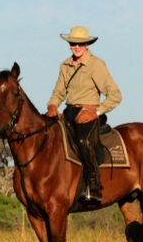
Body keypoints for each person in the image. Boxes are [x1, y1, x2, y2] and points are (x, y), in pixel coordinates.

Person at [45, 25, 121, 203]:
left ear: (87, 44)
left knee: (83, 141)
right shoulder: (65, 65)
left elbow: (115, 95)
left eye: (80, 44)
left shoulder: (96, 65)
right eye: (73, 43)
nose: (76, 47)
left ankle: (94, 186)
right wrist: (52, 106)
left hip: (89, 112)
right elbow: (58, 92)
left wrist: (96, 111)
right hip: (69, 112)